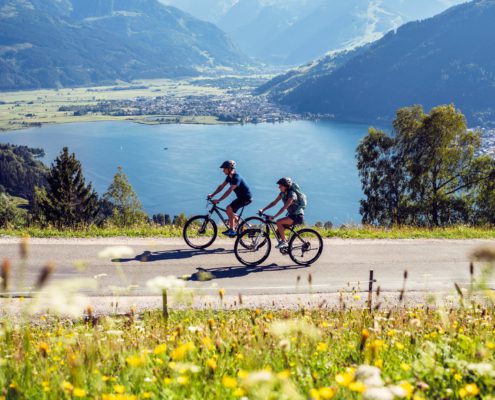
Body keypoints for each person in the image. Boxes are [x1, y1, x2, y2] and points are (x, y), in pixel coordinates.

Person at [208, 160, 252, 237]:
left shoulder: (236, 178)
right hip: (241, 198)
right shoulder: (229, 177)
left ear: (229, 169)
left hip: (246, 198)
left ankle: (232, 230)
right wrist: (212, 194)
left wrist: (219, 200)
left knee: (228, 208)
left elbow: (229, 191)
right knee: (229, 211)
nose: (223, 170)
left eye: (224, 169)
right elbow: (221, 187)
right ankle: (244, 227)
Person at [259, 177, 306, 249]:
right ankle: (287, 247)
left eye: (280, 186)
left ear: (286, 186)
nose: (279, 187)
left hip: (297, 216)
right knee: (278, 232)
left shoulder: (292, 195)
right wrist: (263, 209)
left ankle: (284, 242)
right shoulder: (282, 193)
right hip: (291, 216)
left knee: (279, 222)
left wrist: (274, 217)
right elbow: (274, 203)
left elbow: (284, 208)